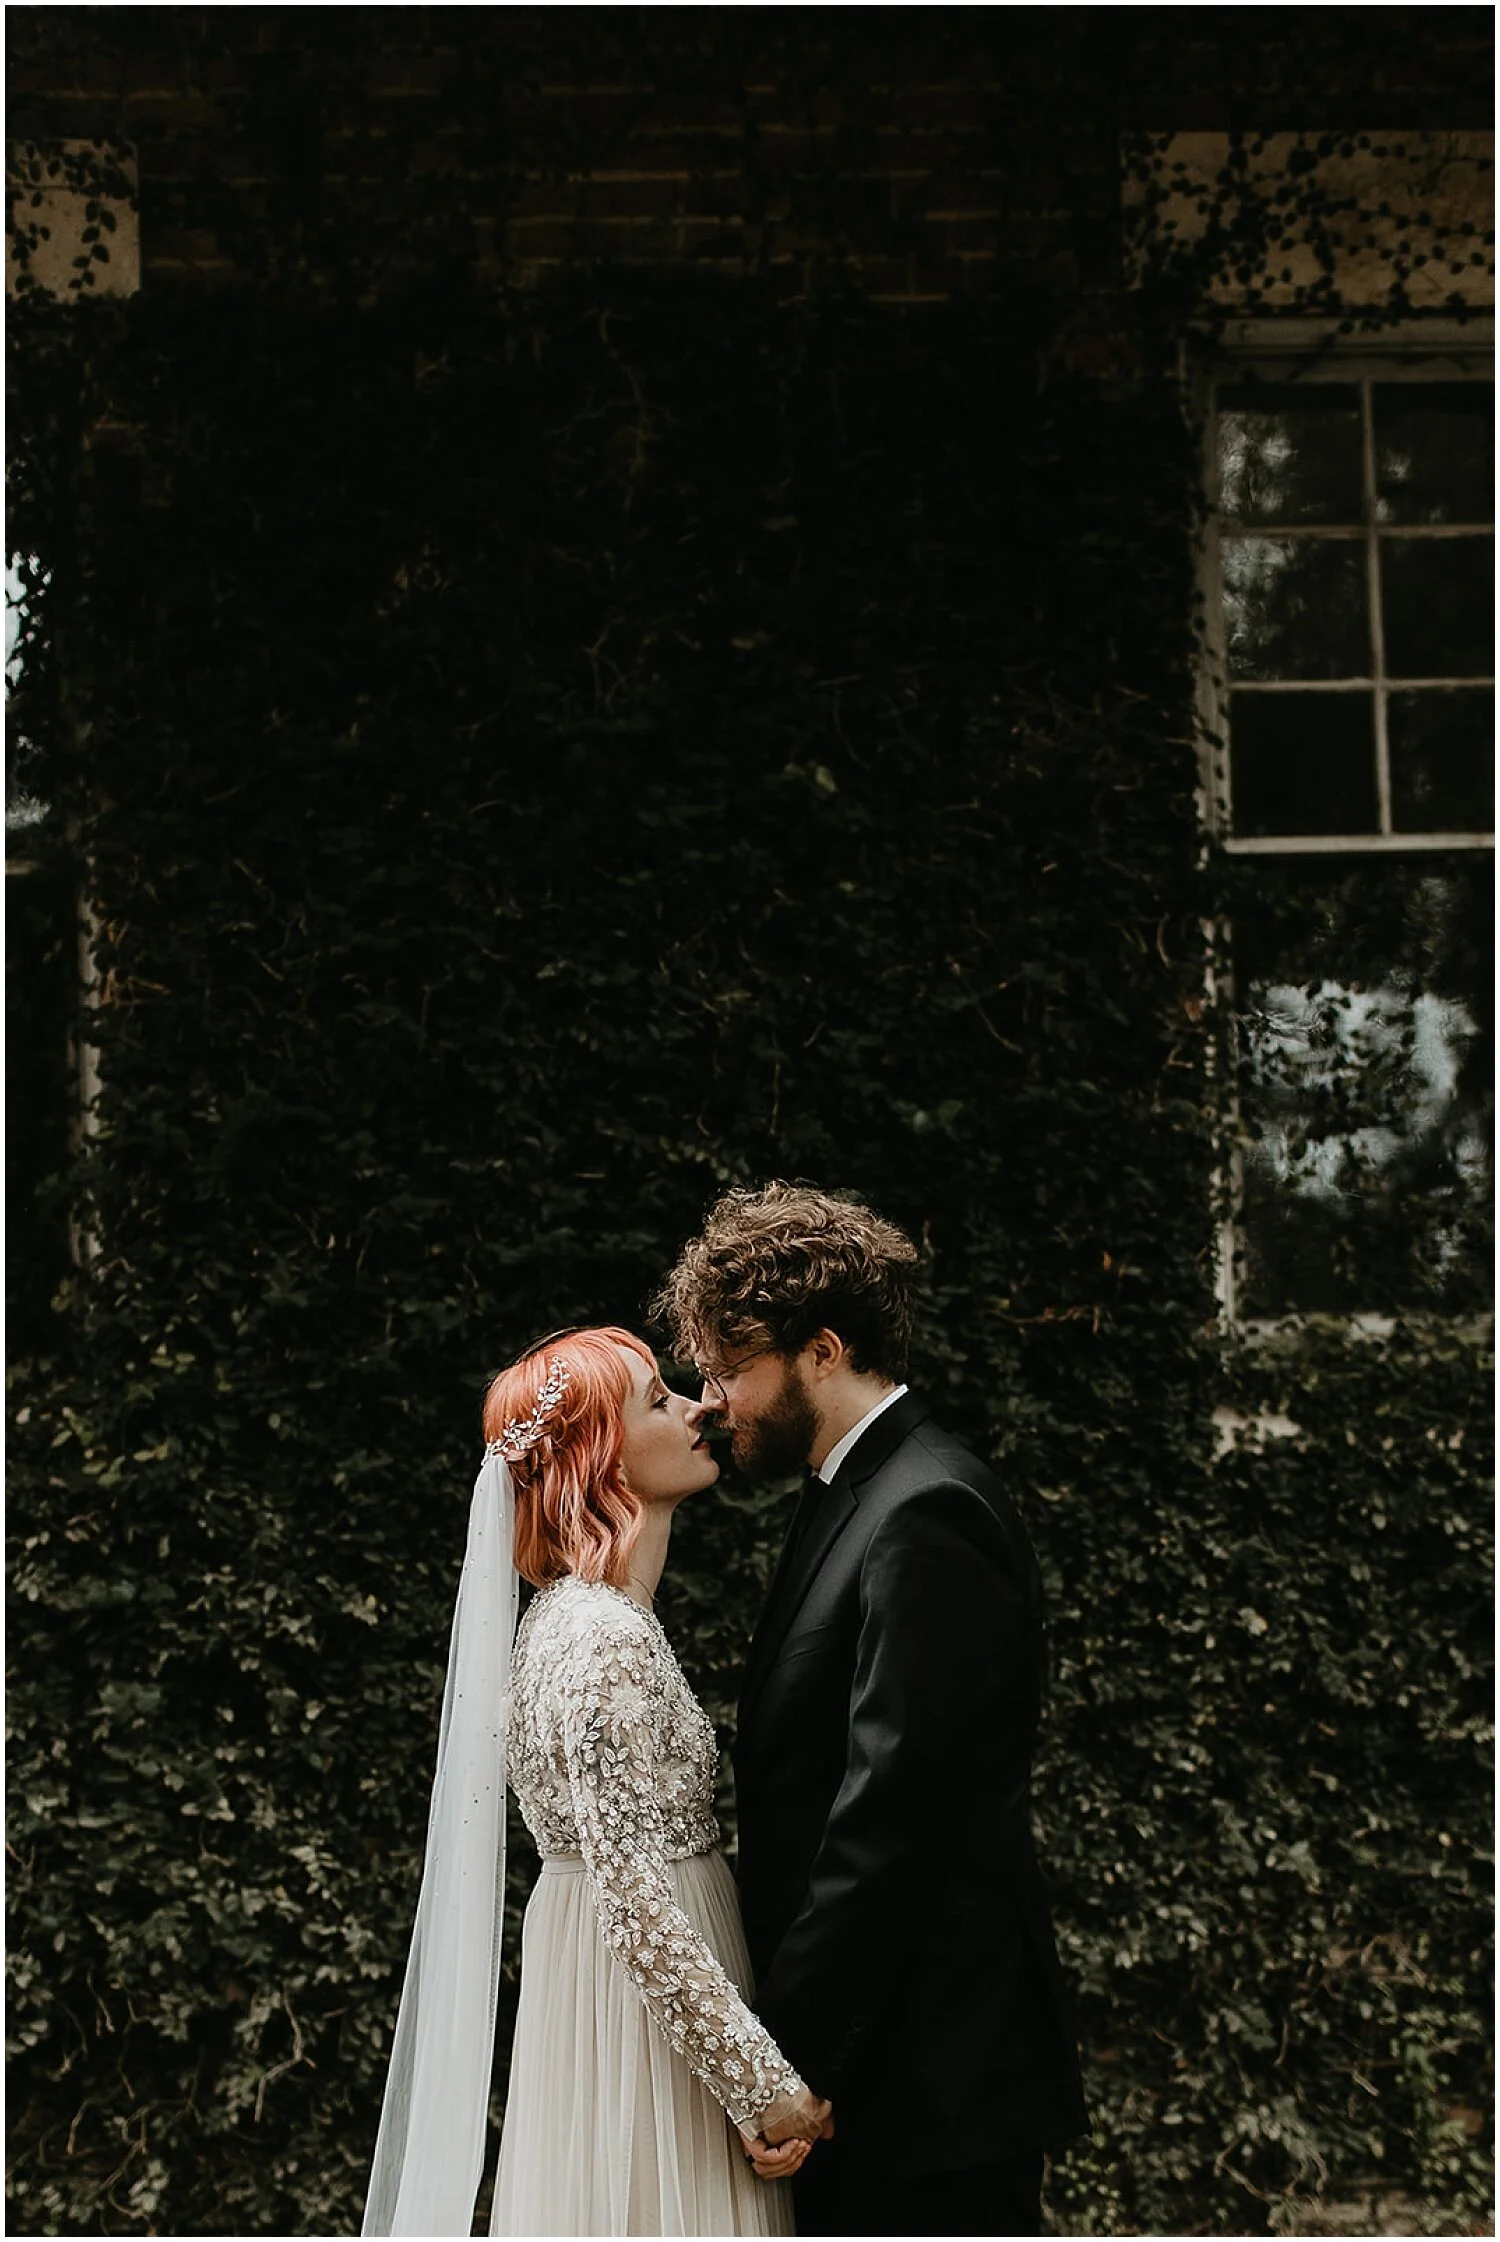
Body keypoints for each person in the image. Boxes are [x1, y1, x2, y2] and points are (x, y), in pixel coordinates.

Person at [652, 1184, 1089, 2239]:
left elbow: (887, 1822)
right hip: (882, 2072)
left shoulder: (927, 1510)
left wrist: (778, 2061)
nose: (713, 1402)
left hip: (927, 2083)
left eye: (732, 1370)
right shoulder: (849, 1492)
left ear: (822, 1349)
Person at [362, 1325, 832, 2239]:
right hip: (647, 2034)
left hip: (630, 2002)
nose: (700, 1406)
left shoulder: (581, 1622)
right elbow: (633, 1898)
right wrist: (763, 2087)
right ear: (599, 1458)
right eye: (660, 1400)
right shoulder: (598, 1639)